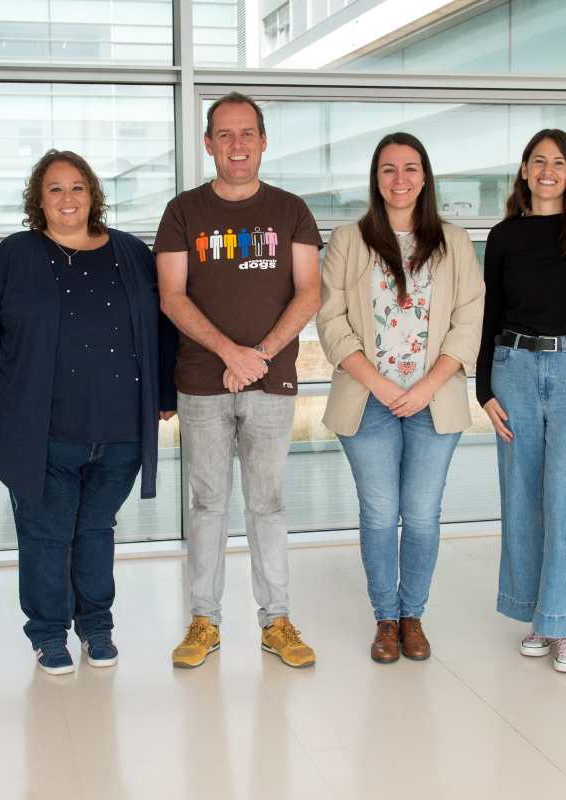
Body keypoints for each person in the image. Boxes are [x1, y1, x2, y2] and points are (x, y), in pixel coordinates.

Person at [0, 150, 177, 675]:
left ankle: (97, 625)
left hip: (120, 430)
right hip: (40, 429)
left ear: (93, 195)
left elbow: (163, 323)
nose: (67, 199)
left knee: (96, 529)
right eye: (55, 189)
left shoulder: (130, 252)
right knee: (46, 532)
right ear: (39, 199)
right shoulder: (14, 255)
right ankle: (48, 632)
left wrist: (165, 394)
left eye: (77, 187)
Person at [155, 92, 323, 669]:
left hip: (271, 383)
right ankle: (204, 621)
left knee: (268, 505)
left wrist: (261, 355)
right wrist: (230, 352)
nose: (236, 144)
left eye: (246, 133)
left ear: (263, 141)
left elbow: (310, 292)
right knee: (207, 505)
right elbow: (172, 296)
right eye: (224, 135)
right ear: (208, 144)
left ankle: (276, 621)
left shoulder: (291, 210)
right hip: (202, 382)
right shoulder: (183, 212)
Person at [317, 132, 483, 663]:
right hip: (369, 401)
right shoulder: (349, 239)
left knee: (424, 513)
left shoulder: (453, 241)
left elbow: (470, 318)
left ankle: (414, 614)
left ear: (425, 177)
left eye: (410, 168)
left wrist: (427, 386)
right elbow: (331, 319)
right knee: (380, 513)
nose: (400, 179)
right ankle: (385, 617)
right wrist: (384, 385)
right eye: (388, 169)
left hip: (434, 401)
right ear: (376, 178)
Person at [479, 129, 566, 674]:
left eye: (558, 162)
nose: (548, 171)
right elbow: (488, 316)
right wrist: (484, 387)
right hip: (513, 367)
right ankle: (540, 614)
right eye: (539, 161)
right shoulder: (504, 235)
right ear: (525, 171)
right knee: (522, 497)